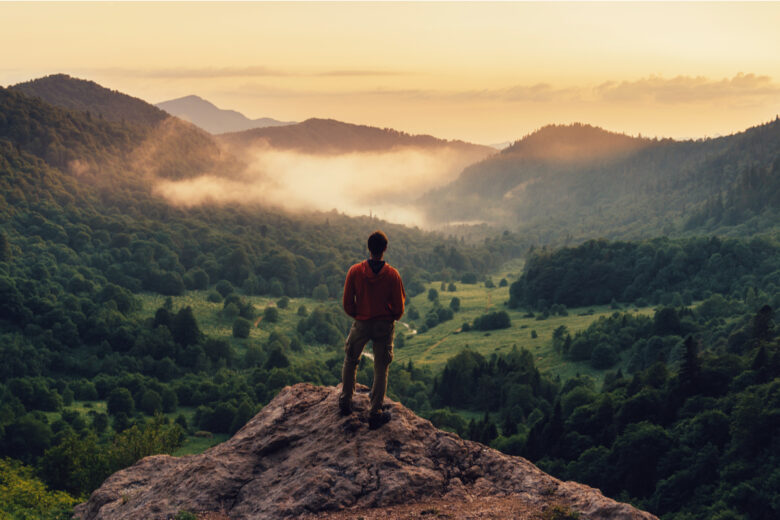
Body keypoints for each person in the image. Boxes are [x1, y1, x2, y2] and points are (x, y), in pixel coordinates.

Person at [339, 230, 405, 429]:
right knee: (381, 367)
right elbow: (399, 307)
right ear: (385, 249)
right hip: (383, 325)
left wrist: (359, 315)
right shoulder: (392, 275)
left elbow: (347, 302)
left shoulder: (355, 271)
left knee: (351, 360)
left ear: (368, 248)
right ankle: (375, 411)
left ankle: (345, 402)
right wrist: (389, 316)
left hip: (362, 323)